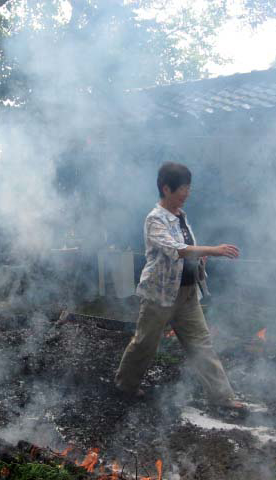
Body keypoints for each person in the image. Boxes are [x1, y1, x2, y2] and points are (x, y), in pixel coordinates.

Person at [114, 162, 244, 410]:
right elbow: (175, 249)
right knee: (145, 343)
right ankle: (125, 385)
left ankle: (222, 397)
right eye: (183, 188)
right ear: (166, 189)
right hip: (159, 295)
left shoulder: (180, 217)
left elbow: (187, 250)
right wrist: (213, 250)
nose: (187, 193)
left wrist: (200, 257)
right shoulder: (155, 219)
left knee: (201, 344)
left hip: (186, 295)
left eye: (188, 188)